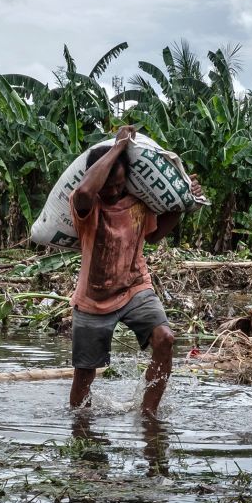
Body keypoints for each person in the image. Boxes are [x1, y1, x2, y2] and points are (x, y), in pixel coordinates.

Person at [67, 125, 182, 416]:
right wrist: (119, 147)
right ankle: (82, 430)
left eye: (119, 185)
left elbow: (153, 237)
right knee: (85, 374)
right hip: (94, 297)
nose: (114, 191)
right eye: (108, 186)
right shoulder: (86, 205)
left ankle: (148, 416)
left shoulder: (138, 203)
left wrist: (183, 204)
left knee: (165, 338)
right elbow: (84, 189)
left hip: (135, 287)